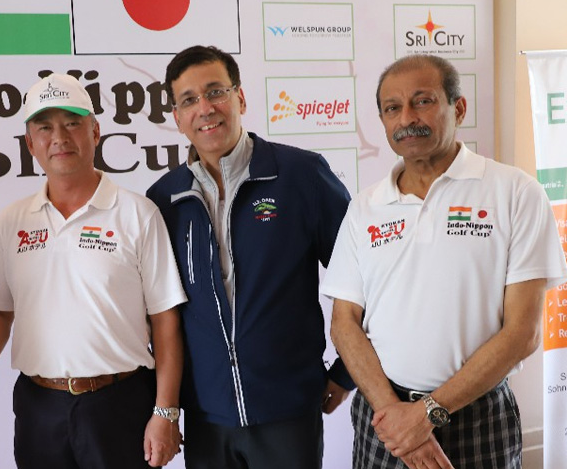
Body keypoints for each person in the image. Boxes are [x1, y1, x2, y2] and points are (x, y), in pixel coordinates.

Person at [321, 54, 567, 469]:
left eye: (423, 101)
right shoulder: (364, 207)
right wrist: (398, 418)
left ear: (459, 108)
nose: (407, 118)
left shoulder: (516, 193)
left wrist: (427, 414)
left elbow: (523, 333)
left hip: (478, 418)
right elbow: (344, 323)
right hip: (384, 418)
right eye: (392, 108)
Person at [0, 73, 187, 468]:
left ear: (95, 132)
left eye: (72, 123)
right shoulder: (12, 220)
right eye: (45, 127)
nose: (59, 137)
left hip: (120, 402)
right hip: (38, 407)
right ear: (30, 144)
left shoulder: (137, 214)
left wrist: (166, 411)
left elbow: (165, 319)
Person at [146, 45, 354, 469]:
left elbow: (364, 274)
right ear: (178, 118)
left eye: (215, 92)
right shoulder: (164, 199)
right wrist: (166, 408)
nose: (205, 108)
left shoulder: (302, 175)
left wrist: (347, 371)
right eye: (189, 100)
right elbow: (160, 314)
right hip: (206, 417)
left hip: (288, 411)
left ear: (240, 98)